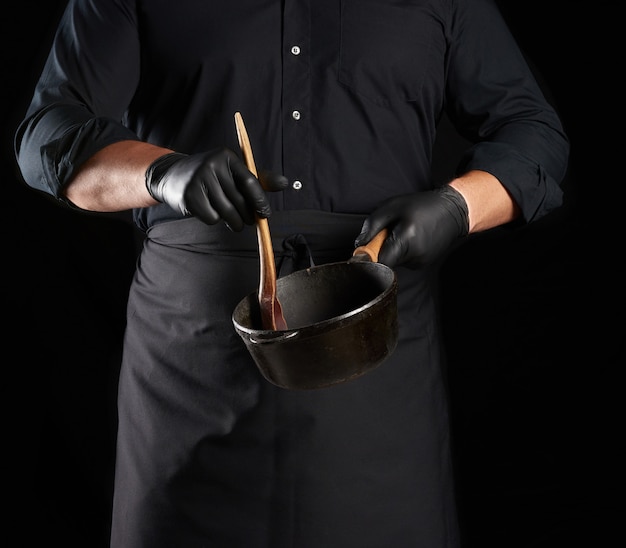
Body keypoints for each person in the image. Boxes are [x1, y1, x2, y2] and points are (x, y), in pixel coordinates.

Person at [14, 0, 569, 546]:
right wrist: (164, 174)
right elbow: (46, 133)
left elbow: (534, 133)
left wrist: (458, 206)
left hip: (376, 370)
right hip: (190, 366)